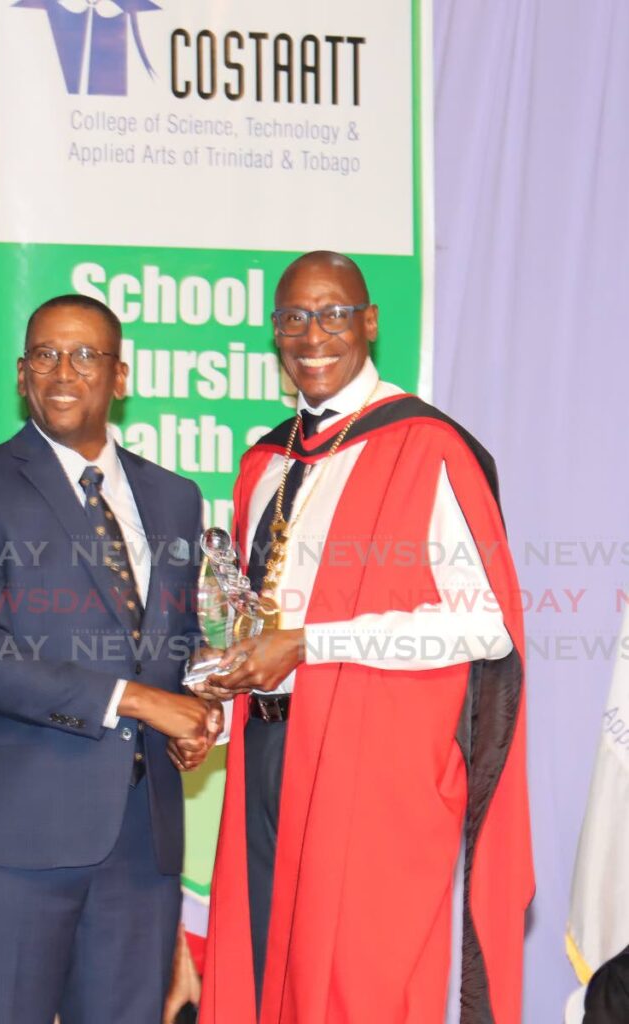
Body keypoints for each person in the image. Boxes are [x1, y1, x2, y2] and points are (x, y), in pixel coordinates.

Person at [197, 252, 534, 1023]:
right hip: (271, 756)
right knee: (266, 981)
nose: (312, 335)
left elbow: (484, 625)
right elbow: (261, 618)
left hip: (374, 774)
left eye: (333, 314)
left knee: (355, 987)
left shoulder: (427, 446)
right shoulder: (265, 460)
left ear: (369, 322)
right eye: (293, 319)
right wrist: (221, 689)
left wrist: (314, 643)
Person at [0, 294, 221, 1024]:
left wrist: (206, 697)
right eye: (45, 355)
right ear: (22, 375)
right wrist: (143, 701)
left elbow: (170, 646)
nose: (63, 371)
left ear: (120, 378)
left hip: (140, 845)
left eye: (86, 355)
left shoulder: (176, 499)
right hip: (10, 835)